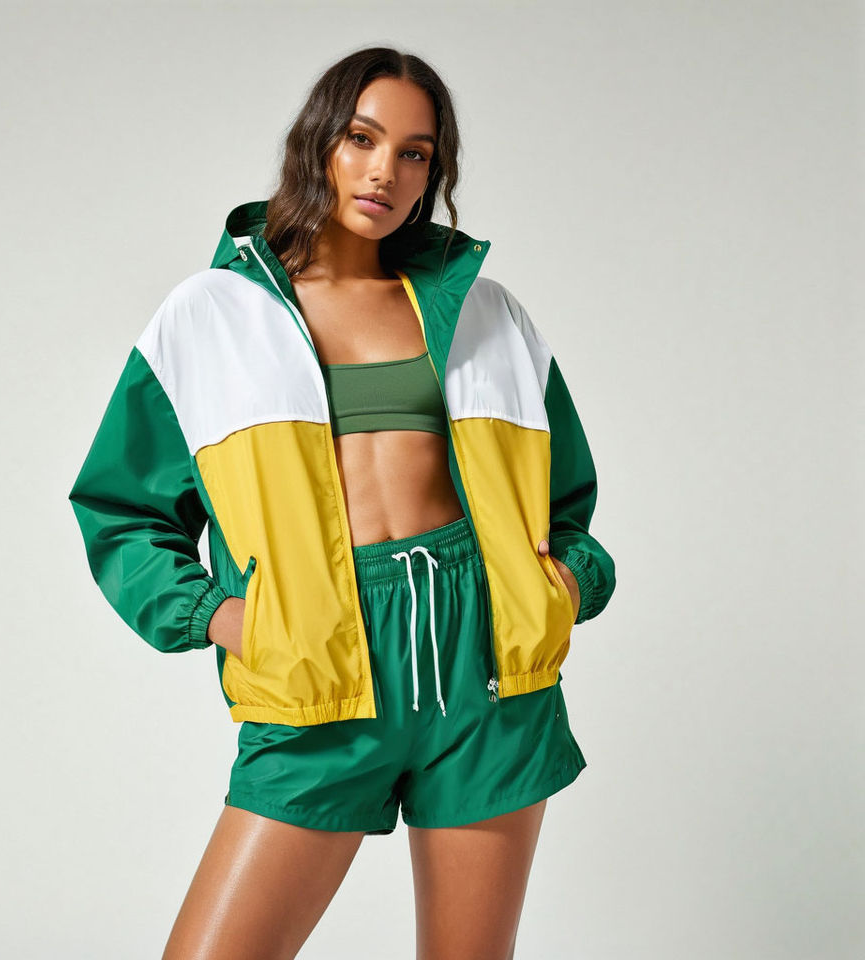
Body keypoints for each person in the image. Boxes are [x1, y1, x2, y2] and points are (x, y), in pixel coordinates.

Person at [69, 46, 615, 960]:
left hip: (484, 670)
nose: (384, 171)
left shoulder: (486, 311)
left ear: (434, 173)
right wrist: (222, 617)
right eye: (362, 139)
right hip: (318, 665)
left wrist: (558, 587)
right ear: (317, 141)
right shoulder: (211, 314)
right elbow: (121, 506)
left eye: (414, 153)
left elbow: (566, 497)